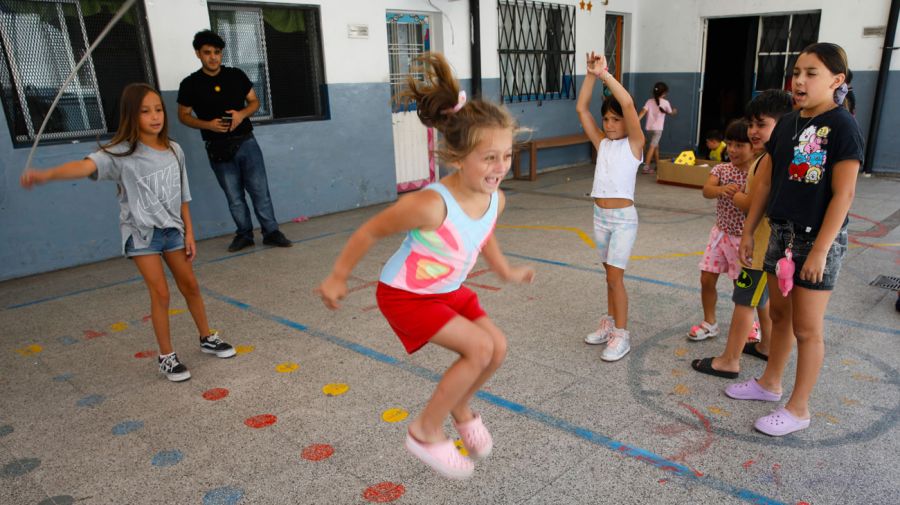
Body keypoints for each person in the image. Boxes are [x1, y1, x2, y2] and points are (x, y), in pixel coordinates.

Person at [316, 52, 534, 479]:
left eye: (506, 155)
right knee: (478, 348)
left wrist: (504, 270)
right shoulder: (429, 204)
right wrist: (339, 276)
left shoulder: (496, 197)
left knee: (497, 348)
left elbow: (483, 232)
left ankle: (461, 410)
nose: (500, 167)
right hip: (405, 295)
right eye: (489, 157)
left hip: (446, 290)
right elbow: (369, 231)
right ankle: (424, 430)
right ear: (457, 157)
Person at [20, 83, 236, 382]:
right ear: (131, 116)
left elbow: (182, 194)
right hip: (141, 234)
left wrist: (188, 232)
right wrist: (46, 174)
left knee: (191, 286)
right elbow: (84, 167)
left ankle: (206, 337)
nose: (154, 116)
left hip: (173, 230)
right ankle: (166, 357)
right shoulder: (119, 153)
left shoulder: (175, 149)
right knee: (160, 293)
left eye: (158, 109)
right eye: (145, 111)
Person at [726, 43, 864, 436]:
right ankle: (770, 384)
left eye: (812, 73)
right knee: (780, 316)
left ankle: (799, 409)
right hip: (781, 233)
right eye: (797, 72)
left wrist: (820, 250)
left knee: (807, 328)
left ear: (837, 80)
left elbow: (845, 194)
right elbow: (767, 180)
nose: (800, 81)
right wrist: (750, 230)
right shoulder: (788, 122)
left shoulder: (842, 126)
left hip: (816, 240)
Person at [690, 90, 793, 378]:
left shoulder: (768, 161)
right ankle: (766, 346)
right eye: (751, 125)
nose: (753, 131)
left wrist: (736, 196)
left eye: (761, 125)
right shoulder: (774, 157)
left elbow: (752, 203)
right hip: (761, 247)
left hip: (760, 249)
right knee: (758, 300)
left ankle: (729, 360)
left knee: (745, 300)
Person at [177, 30, 291, 252]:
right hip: (217, 148)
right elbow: (183, 115)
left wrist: (241, 114)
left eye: (217, 52)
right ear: (198, 54)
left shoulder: (236, 75)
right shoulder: (190, 83)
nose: (213, 57)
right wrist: (208, 125)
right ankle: (244, 234)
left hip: (246, 142)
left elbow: (254, 102)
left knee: (260, 191)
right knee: (234, 196)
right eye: (207, 52)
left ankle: (271, 232)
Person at [577, 52, 645, 362]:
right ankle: (609, 323)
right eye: (606, 118)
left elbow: (628, 104)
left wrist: (605, 74)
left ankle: (622, 334)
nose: (609, 123)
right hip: (600, 216)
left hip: (622, 220)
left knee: (616, 278)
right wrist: (590, 75)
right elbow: (581, 108)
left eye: (615, 119)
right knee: (609, 277)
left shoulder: (634, 145)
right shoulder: (602, 143)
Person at [688, 119, 753, 342]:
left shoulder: (756, 175)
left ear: (753, 146)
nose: (733, 150)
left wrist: (741, 194)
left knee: (742, 287)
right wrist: (721, 189)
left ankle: (750, 325)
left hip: (743, 240)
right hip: (720, 235)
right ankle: (710, 323)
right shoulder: (722, 169)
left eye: (740, 145)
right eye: (730, 144)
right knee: (706, 279)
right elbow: (707, 190)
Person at [637, 81, 677, 174]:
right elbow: (671, 113)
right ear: (664, 93)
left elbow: (643, 112)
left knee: (656, 146)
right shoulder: (666, 102)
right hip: (658, 130)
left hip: (649, 128)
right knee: (652, 147)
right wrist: (674, 111)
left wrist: (636, 121)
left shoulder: (649, 101)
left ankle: (658, 165)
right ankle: (646, 167)